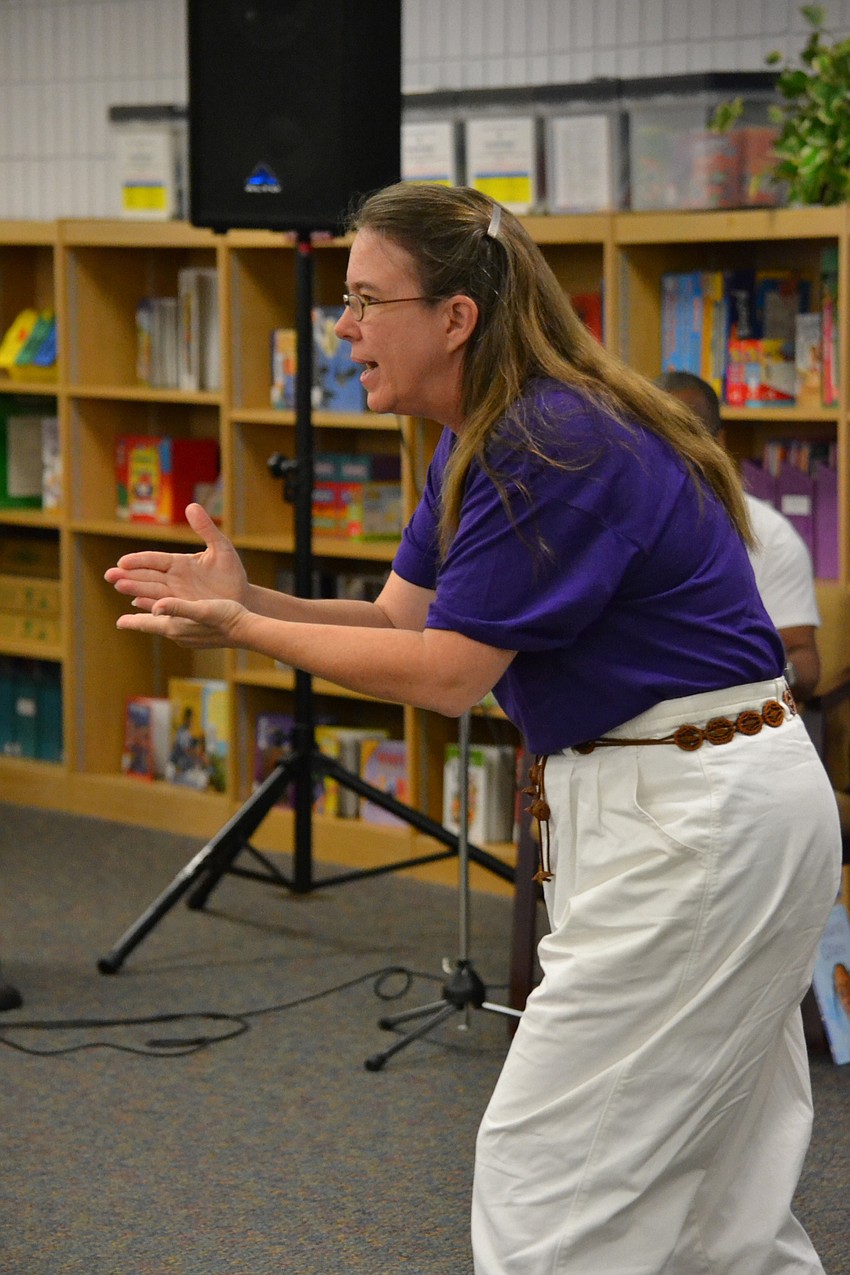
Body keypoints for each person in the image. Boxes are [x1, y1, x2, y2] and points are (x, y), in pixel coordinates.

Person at [105, 183, 841, 1275]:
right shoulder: (486, 435)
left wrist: (251, 634)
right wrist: (251, 605)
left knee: (554, 1182)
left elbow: (447, 676)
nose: (341, 327)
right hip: (694, 802)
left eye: (364, 299)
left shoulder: (542, 440)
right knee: (713, 1198)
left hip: (696, 818)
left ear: (455, 316)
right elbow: (401, 621)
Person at [656, 369, 821, 700]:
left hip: (736, 719)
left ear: (719, 442)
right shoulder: (615, 530)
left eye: (685, 439)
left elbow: (806, 664)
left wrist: (764, 676)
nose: (671, 455)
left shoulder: (769, 534)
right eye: (656, 440)